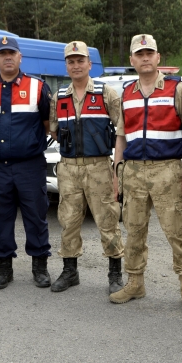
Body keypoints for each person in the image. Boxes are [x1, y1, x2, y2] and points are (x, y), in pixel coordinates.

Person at [110, 34, 182, 314]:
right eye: (140, 54)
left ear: (158, 57)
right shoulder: (127, 92)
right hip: (134, 171)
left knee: (177, 232)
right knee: (134, 231)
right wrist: (116, 172)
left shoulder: (178, 89)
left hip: (168, 170)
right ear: (132, 60)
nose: (145, 57)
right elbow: (122, 136)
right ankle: (135, 282)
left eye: (150, 53)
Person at [0, 36, 53, 290]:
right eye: (2, 53)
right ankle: (3, 268)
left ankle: (39, 267)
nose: (7, 57)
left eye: (12, 53)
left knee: (36, 216)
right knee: (0, 217)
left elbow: (48, 124)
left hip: (29, 165)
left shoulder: (38, 87)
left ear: (20, 57)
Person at [48, 41, 124, 293]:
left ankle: (115, 274)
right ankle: (70, 272)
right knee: (68, 221)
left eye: (81, 60)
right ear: (66, 66)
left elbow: (122, 129)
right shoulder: (58, 97)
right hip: (69, 168)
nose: (76, 65)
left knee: (107, 220)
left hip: (99, 166)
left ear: (89, 64)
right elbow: (54, 130)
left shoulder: (105, 93)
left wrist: (117, 170)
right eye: (71, 61)